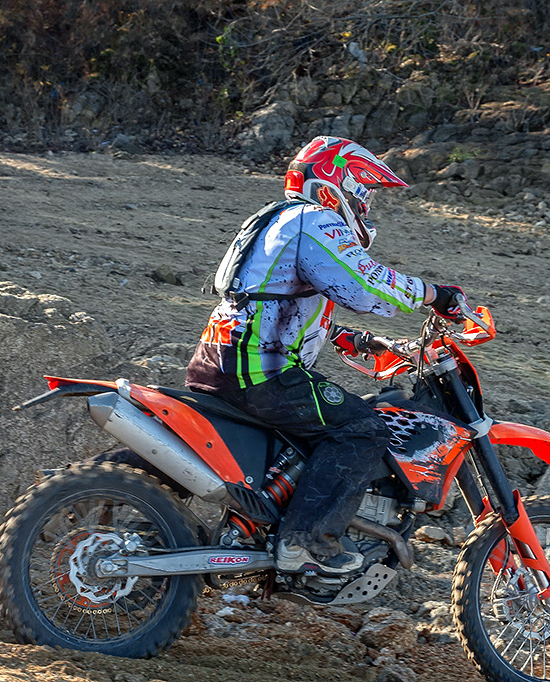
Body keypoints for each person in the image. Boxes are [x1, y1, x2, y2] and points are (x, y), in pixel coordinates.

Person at [185, 136, 464, 575]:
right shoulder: (314, 220)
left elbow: (275, 302)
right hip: (261, 372)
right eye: (364, 191)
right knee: (363, 429)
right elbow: (366, 283)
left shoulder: (277, 219)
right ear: (336, 185)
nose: (366, 204)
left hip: (224, 361)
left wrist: (354, 340)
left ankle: (268, 526)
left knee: (321, 425)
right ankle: (307, 542)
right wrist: (435, 295)